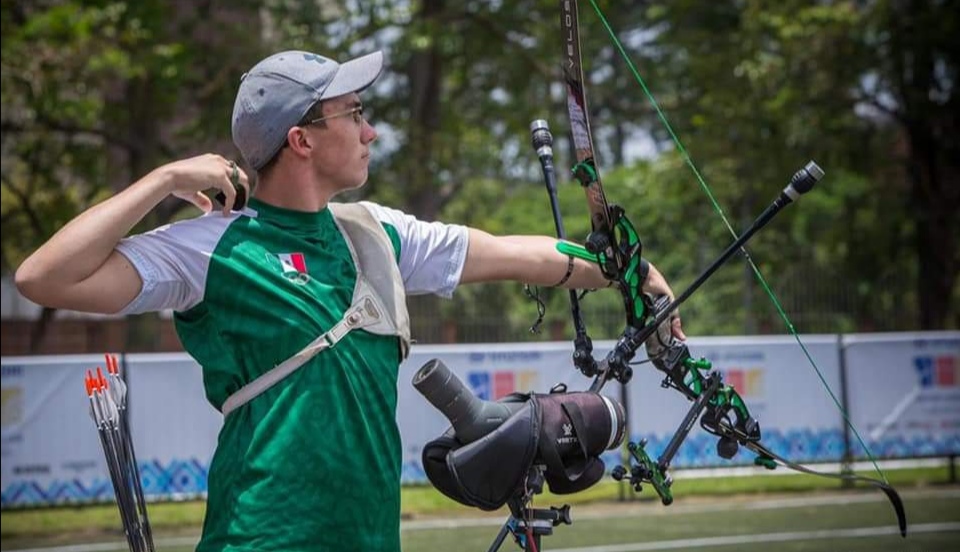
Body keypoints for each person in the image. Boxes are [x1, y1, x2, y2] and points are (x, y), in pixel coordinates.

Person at [15, 50, 685, 551]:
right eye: (354, 114)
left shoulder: (377, 233)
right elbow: (44, 277)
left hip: (369, 537)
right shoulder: (213, 246)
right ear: (300, 140)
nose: (370, 131)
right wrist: (161, 178)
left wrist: (633, 273)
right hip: (260, 538)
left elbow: (514, 254)